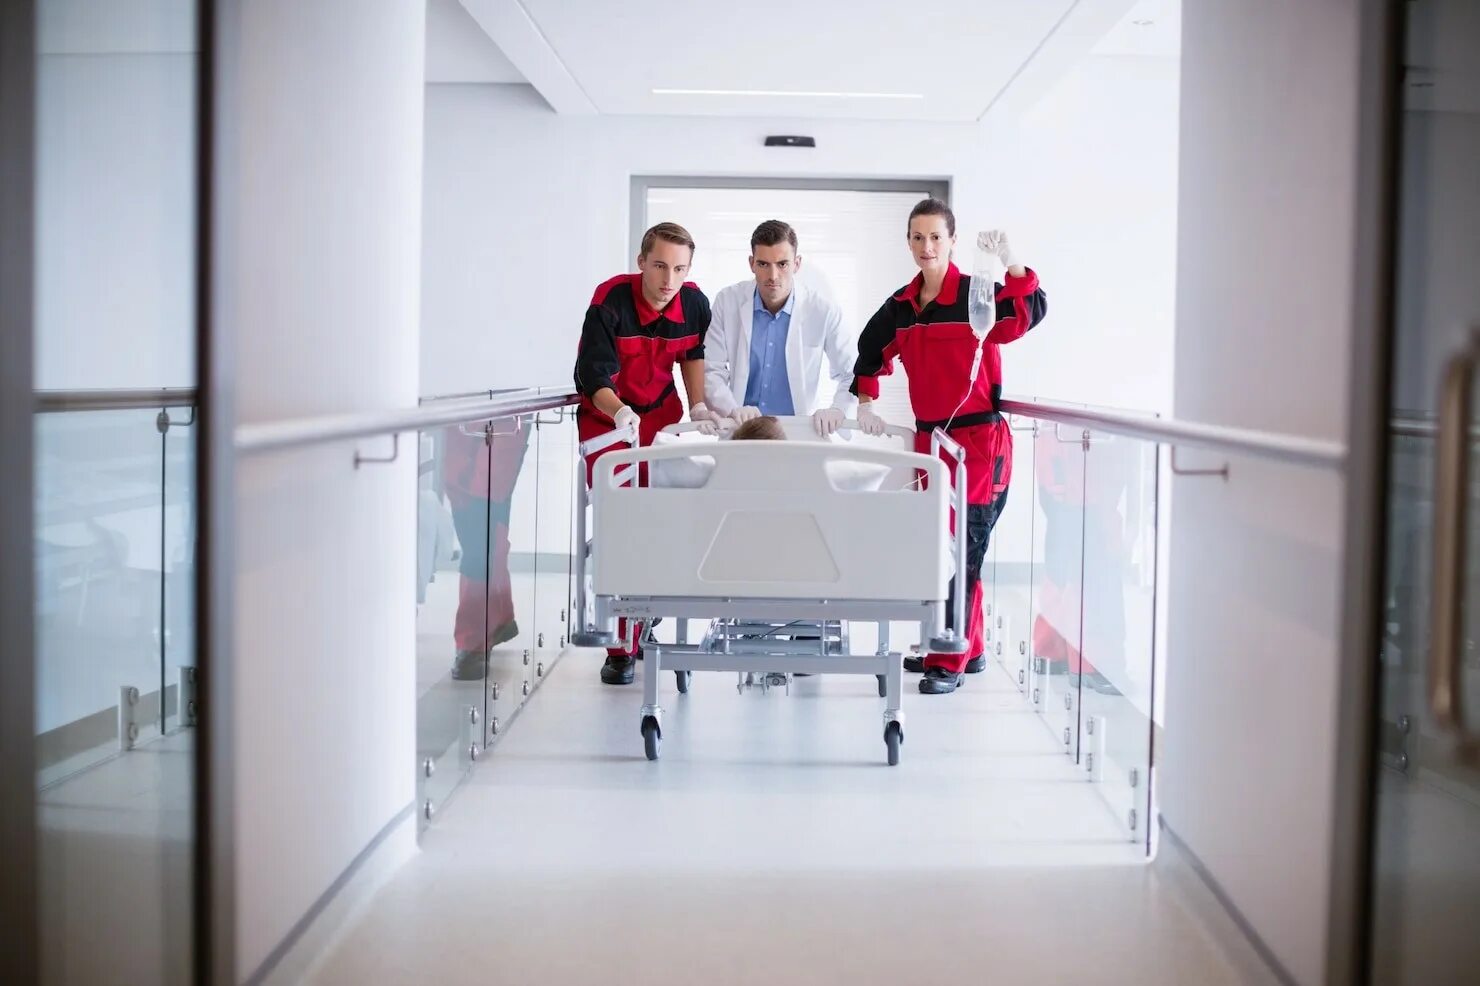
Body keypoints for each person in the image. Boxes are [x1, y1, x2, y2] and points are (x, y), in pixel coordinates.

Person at [851, 198, 1047, 695]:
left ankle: (948, 656)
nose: (927, 246)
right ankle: (970, 647)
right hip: (930, 442)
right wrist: (866, 401)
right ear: (908, 242)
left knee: (966, 552)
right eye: (918, 237)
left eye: (936, 236)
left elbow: (1028, 313)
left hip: (979, 444)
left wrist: (1012, 262)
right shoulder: (902, 306)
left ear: (952, 240)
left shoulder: (977, 295)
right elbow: (870, 351)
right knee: (941, 549)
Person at [574, 221, 714, 686]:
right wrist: (619, 413)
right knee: (620, 523)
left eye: (679, 269)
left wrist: (698, 405)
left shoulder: (694, 304)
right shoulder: (611, 301)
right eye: (659, 266)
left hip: (661, 420)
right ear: (641, 263)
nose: (668, 279)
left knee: (660, 520)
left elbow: (693, 355)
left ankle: (646, 614)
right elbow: (592, 375)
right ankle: (620, 647)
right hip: (608, 419)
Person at [704, 220, 857, 437]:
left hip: (799, 433)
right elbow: (711, 370)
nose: (773, 276)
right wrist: (732, 409)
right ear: (752, 264)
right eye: (763, 264)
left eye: (782, 264)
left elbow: (852, 373)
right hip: (743, 430)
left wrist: (838, 410)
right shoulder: (727, 301)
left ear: (797, 264)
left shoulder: (823, 310)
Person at [441, 419, 531, 680]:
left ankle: (472, 642)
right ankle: (499, 617)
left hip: (504, 419)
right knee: (483, 527)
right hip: (458, 416)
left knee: (482, 530)